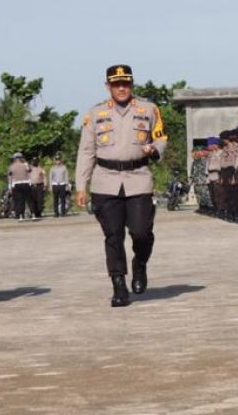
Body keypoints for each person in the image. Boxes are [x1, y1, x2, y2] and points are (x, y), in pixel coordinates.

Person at [75, 65, 167, 307]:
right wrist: (80, 186)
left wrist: (155, 149)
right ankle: (119, 285)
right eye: (116, 84)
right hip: (105, 180)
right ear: (108, 87)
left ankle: (140, 264)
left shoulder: (148, 109)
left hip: (138, 178)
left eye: (125, 83)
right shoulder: (95, 114)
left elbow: (161, 136)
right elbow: (86, 151)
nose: (121, 88)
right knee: (113, 235)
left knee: (141, 232)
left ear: (132, 84)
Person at [8, 153, 32, 221]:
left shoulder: (13, 166)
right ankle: (18, 214)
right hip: (18, 184)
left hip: (16, 185)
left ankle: (20, 215)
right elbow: (10, 177)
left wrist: (9, 186)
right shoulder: (23, 165)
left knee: (19, 200)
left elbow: (29, 171)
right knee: (19, 200)